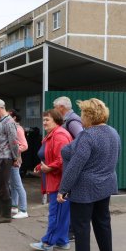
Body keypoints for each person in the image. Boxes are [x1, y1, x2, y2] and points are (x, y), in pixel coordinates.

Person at [57, 98, 120, 251]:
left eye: (83, 114)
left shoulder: (87, 135)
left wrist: (64, 189)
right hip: (106, 183)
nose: (81, 117)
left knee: (81, 224)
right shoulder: (113, 132)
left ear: (88, 115)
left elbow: (75, 164)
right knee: (103, 222)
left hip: (85, 187)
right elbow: (115, 157)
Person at [30, 109, 72, 251]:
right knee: (61, 212)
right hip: (57, 180)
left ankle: (48, 242)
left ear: (56, 120)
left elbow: (62, 159)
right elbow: (49, 157)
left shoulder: (59, 135)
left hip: (59, 182)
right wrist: (40, 166)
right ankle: (62, 240)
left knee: (56, 213)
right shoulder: (53, 134)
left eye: (47, 119)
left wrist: (49, 168)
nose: (44, 122)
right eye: (44, 119)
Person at [53, 96, 83, 240]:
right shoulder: (68, 120)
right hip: (68, 163)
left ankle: (72, 231)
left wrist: (69, 152)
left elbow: (81, 139)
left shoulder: (72, 121)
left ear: (61, 107)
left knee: (70, 196)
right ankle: (70, 229)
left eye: (55, 107)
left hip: (71, 164)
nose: (54, 110)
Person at [9, 109, 29, 219]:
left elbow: (25, 145)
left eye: (9, 115)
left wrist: (14, 152)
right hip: (11, 160)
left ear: (14, 117)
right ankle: (14, 206)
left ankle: (23, 209)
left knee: (17, 184)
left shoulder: (18, 128)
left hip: (15, 160)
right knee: (12, 183)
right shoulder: (12, 127)